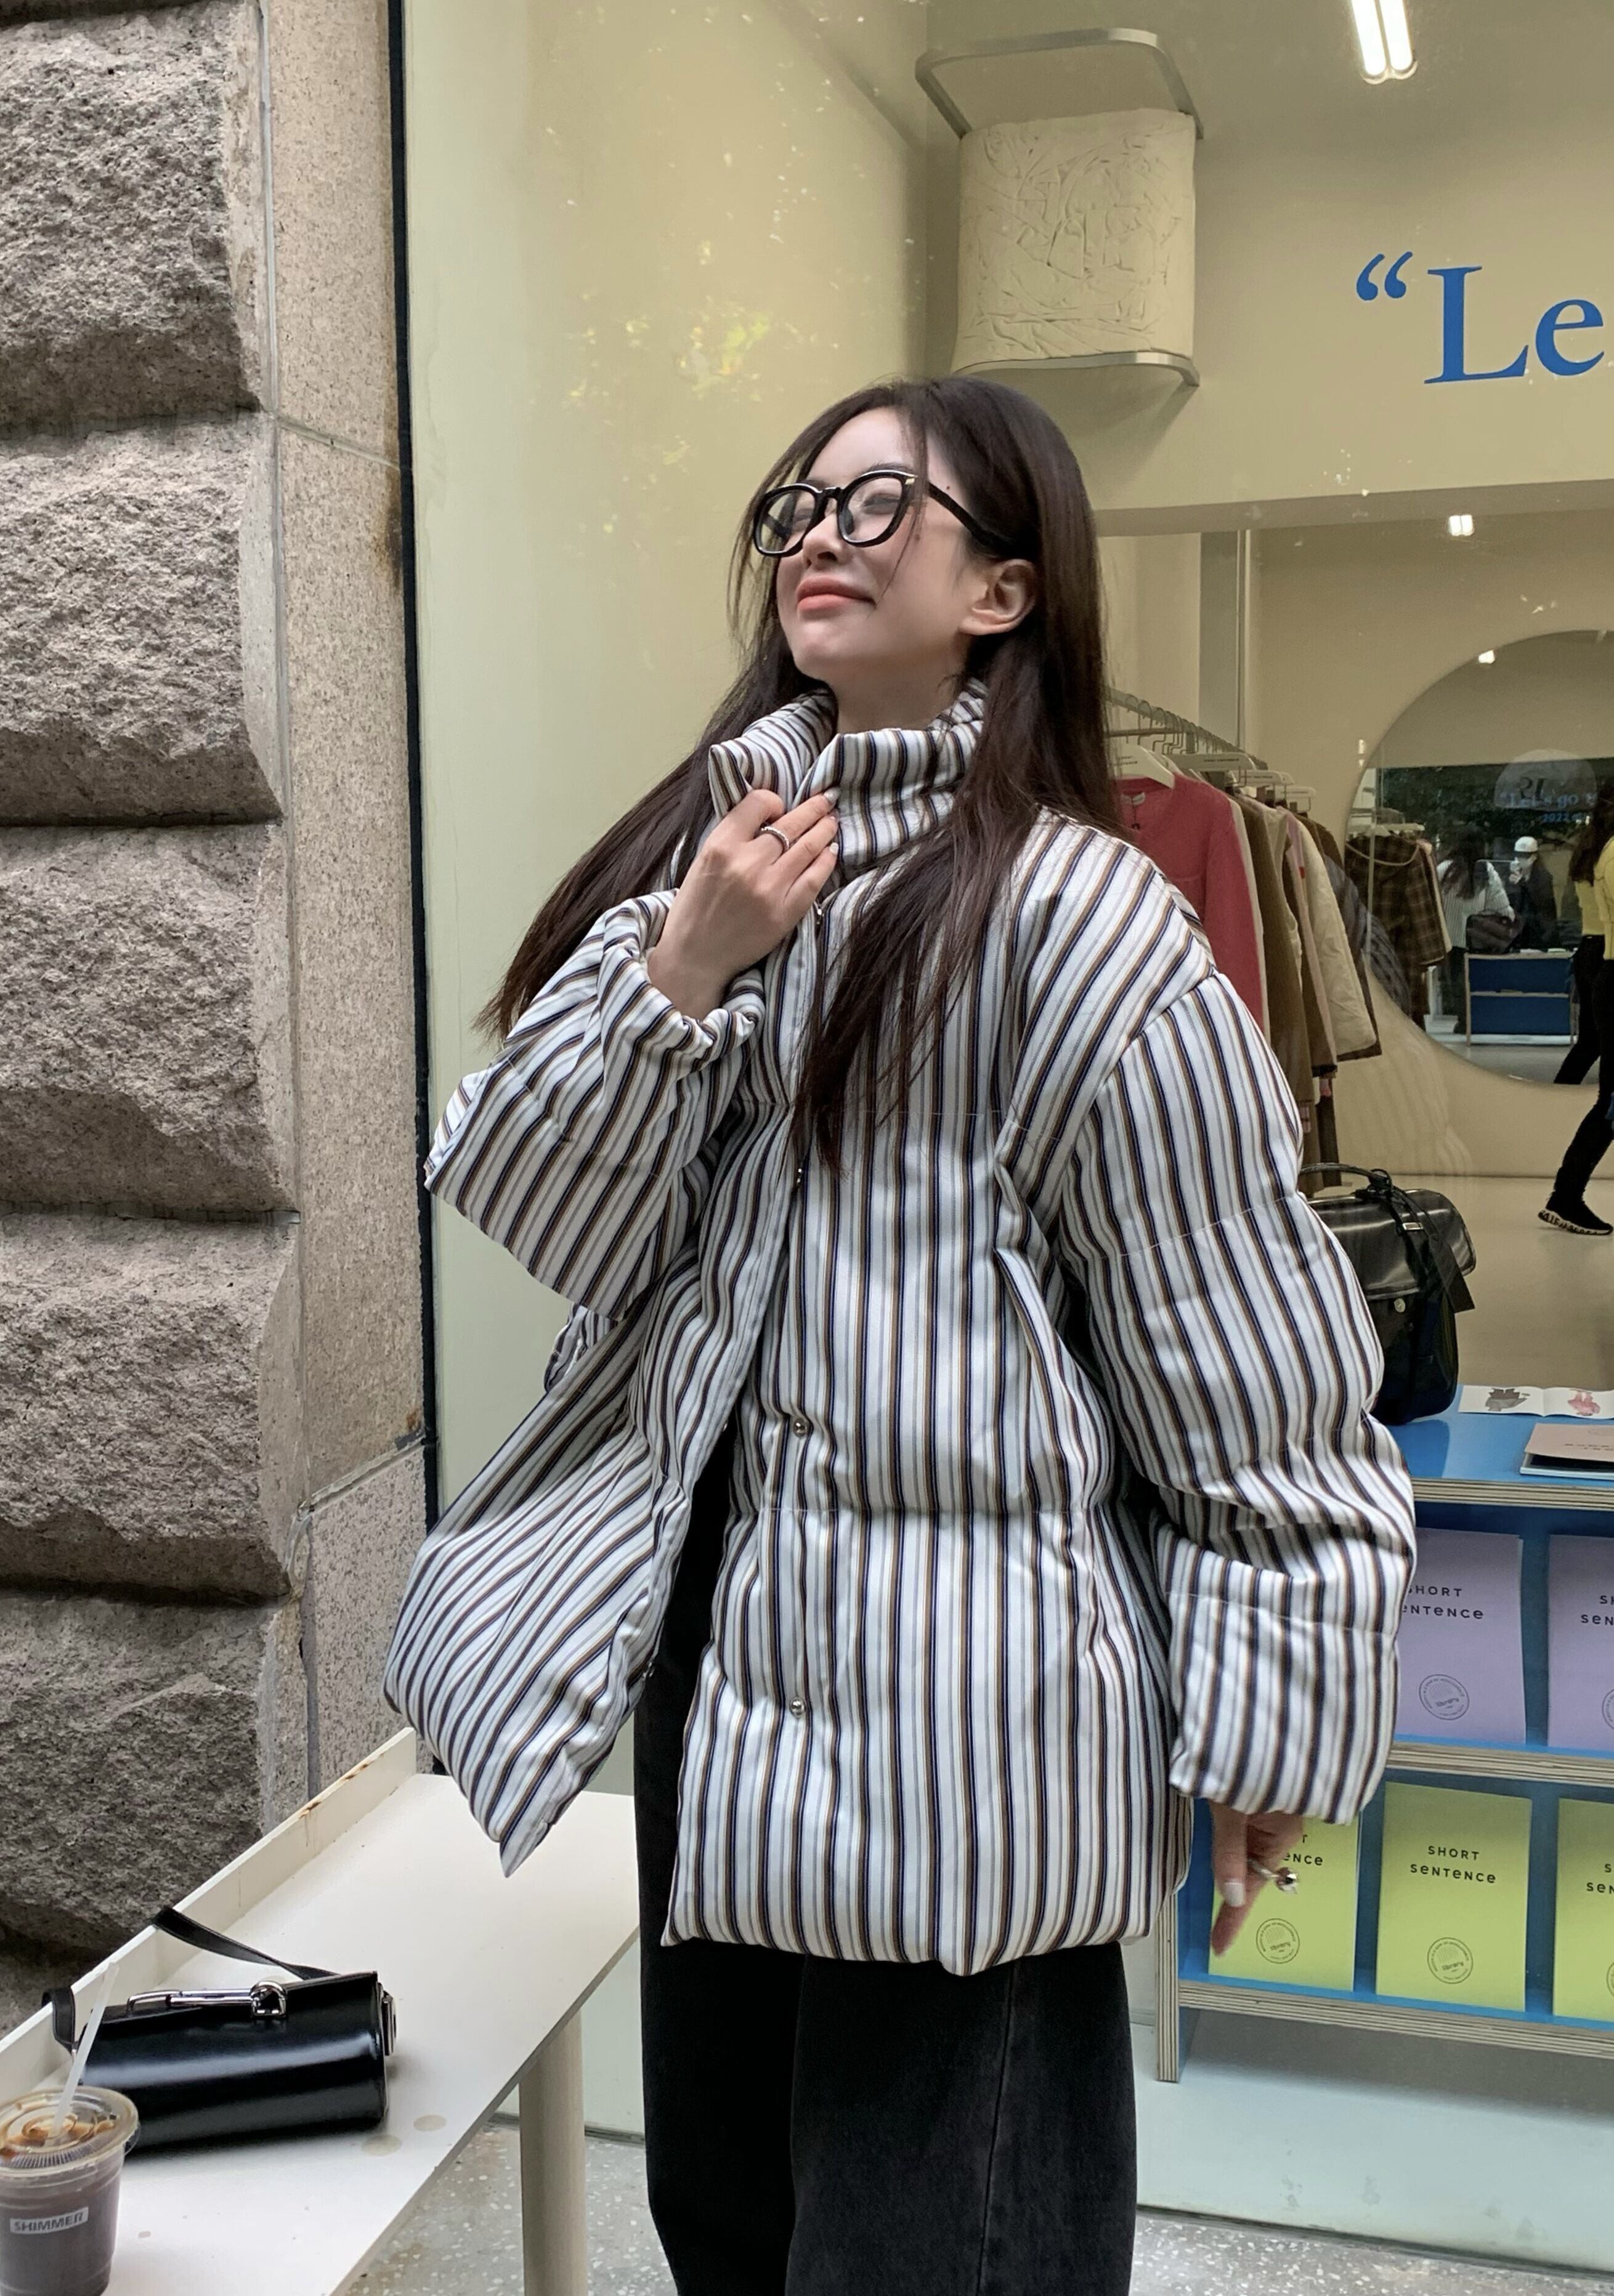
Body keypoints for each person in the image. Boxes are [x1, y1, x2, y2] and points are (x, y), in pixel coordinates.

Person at [387, 377, 1415, 2295]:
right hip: (723, 1679)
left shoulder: (1080, 920)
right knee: (730, 2229)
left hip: (969, 1730)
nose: (817, 532)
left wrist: (1269, 1708)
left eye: (878, 505)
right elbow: (542, 1210)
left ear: (1002, 592)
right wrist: (682, 969)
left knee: (938, 2249)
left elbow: (1242, 1355)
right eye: (800, 501)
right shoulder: (713, 867)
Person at [1544, 785, 1614, 1234]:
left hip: (1597, 955)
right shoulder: (1612, 852)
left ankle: (1566, 1195)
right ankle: (1566, 1195)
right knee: (1610, 1098)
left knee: (1596, 1059)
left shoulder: (1593, 850)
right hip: (1606, 960)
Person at [1434, 833, 1512, 1033]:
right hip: (1477, 938)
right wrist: (1510, 919)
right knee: (1476, 980)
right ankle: (1478, 1018)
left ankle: (1463, 1021)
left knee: (1456, 980)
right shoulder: (1486, 871)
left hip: (1449, 937)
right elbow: (1501, 906)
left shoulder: (1443, 870)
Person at [1555, 808, 1608, 1086]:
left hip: (1588, 949)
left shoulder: (1587, 854)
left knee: (1590, 1040)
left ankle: (1558, 1093)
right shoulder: (1609, 857)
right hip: (1607, 950)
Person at [1506, 834, 1559, 951]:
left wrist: (1523, 884)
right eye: (1518, 856)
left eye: (1525, 856)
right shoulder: (1511, 876)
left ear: (1534, 856)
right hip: (1520, 932)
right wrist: (1513, 886)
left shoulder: (1543, 877)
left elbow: (1543, 903)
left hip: (1540, 933)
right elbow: (1512, 905)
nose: (1521, 860)